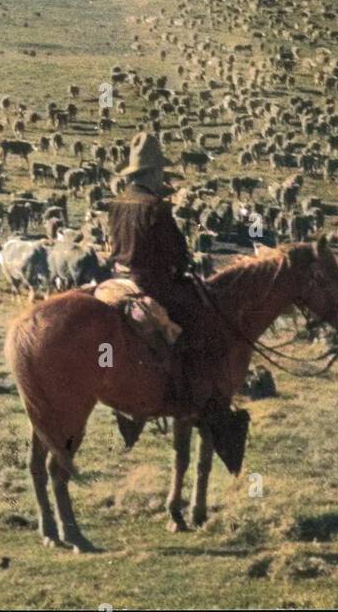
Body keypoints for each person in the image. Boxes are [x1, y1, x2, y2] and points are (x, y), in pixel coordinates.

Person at [106, 131, 249, 471]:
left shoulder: (117, 203)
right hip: (155, 284)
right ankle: (194, 395)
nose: (162, 179)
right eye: (160, 174)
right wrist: (183, 266)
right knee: (202, 325)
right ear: (152, 174)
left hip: (120, 280)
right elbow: (175, 253)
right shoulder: (155, 207)